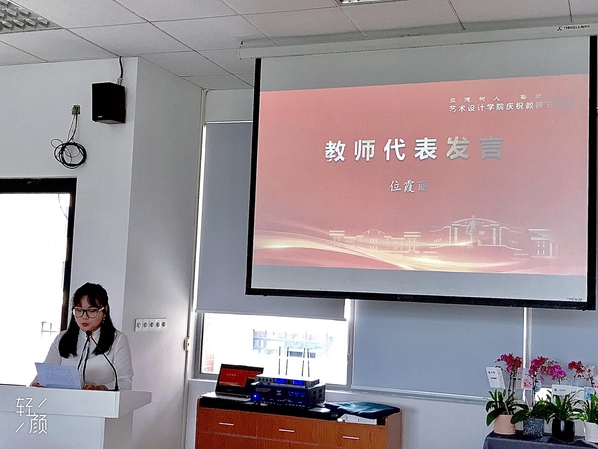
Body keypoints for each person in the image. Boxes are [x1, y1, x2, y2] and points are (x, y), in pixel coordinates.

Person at [32, 282, 133, 390]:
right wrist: (37, 384)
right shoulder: (62, 338)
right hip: (65, 398)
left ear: (104, 311)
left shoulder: (117, 340)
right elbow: (45, 374)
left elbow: (125, 382)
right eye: (79, 310)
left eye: (91, 311)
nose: (84, 317)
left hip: (100, 399)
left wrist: (102, 388)